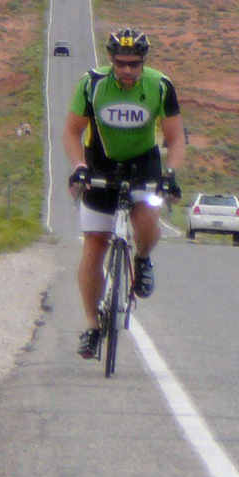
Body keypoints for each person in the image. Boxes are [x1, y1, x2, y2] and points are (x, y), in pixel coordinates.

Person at [63, 27, 185, 359]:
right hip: (100, 165)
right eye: (120, 63)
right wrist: (79, 167)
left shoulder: (160, 85)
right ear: (111, 60)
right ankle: (92, 326)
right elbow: (72, 132)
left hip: (143, 166)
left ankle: (142, 260)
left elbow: (175, 138)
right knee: (94, 245)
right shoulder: (91, 84)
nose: (127, 70)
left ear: (143, 61)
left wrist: (170, 174)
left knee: (146, 222)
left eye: (134, 64)